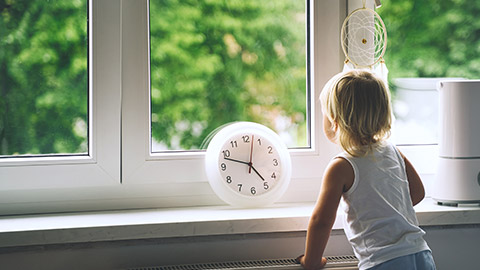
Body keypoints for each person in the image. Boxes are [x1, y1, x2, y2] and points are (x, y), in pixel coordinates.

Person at [297, 70, 436, 270]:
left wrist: (311, 262)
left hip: (384, 261)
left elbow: (321, 221)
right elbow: (418, 193)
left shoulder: (341, 166)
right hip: (421, 255)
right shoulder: (393, 151)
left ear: (335, 121)